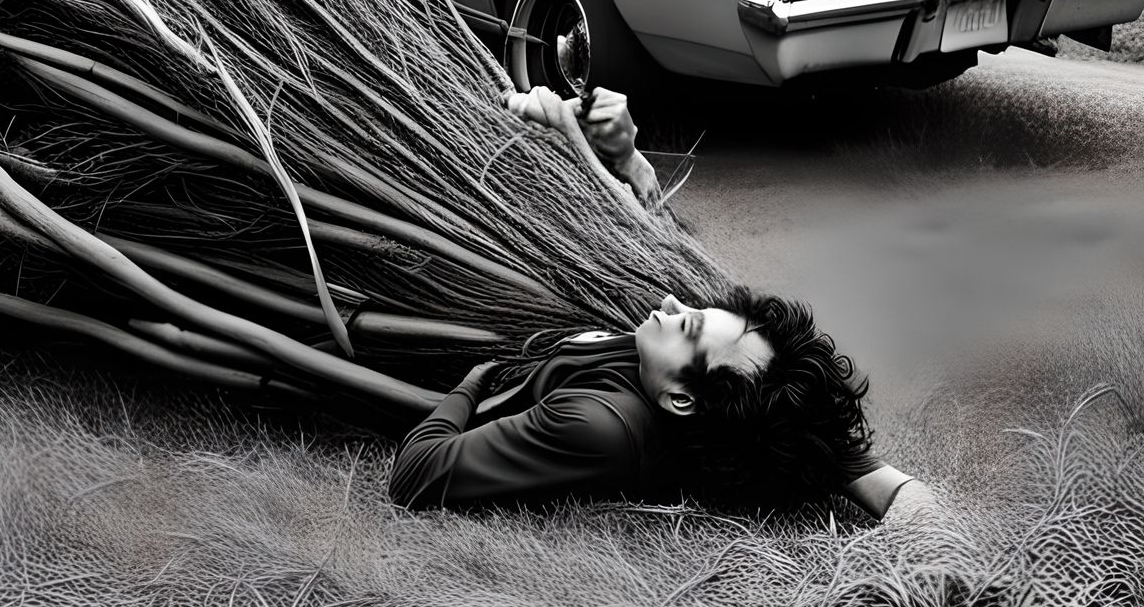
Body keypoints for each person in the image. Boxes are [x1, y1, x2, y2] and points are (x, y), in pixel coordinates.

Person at [388, 85, 940, 527]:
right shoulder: (761, 415)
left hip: (413, 302)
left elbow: (416, 474)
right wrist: (626, 159)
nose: (672, 300)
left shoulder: (602, 427)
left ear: (680, 399)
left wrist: (472, 384)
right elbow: (892, 489)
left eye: (689, 323)